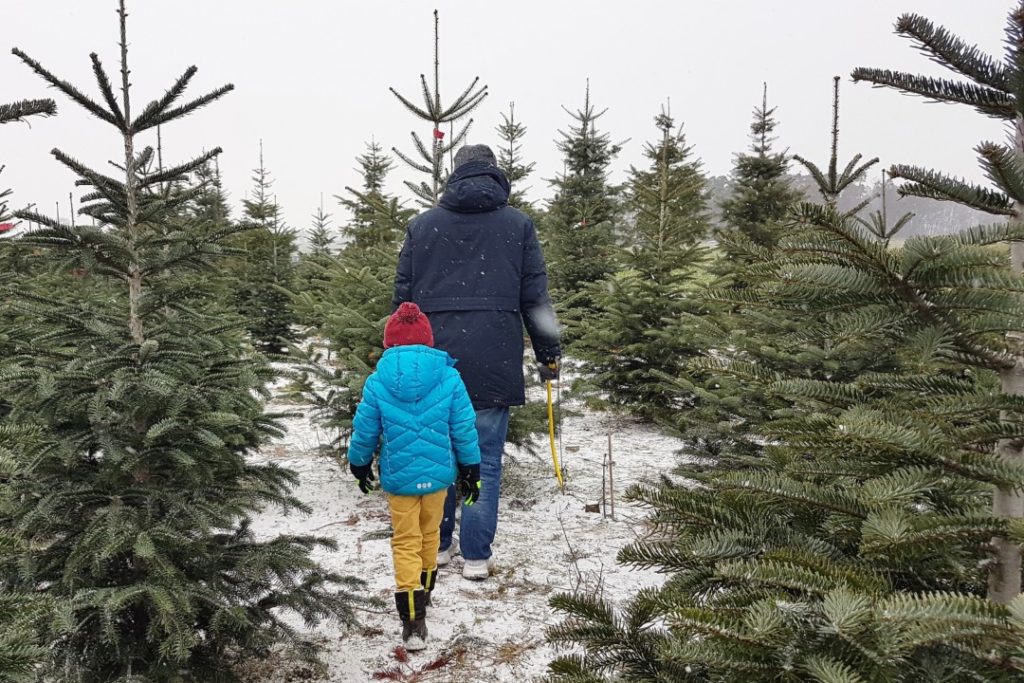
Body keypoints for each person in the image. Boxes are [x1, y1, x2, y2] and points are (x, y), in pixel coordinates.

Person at [393, 144, 561, 581]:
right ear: (495, 175)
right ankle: (476, 557)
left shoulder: (423, 226)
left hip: (436, 359)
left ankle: (441, 545)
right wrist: (549, 354)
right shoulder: (517, 225)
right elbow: (535, 298)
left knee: (439, 453)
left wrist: (399, 355)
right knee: (483, 457)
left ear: (454, 174)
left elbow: (404, 300)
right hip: (493, 354)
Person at [347, 302, 482, 651]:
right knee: (429, 535)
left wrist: (359, 464)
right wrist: (471, 469)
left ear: (390, 342)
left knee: (405, 540)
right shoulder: (450, 377)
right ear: (428, 342)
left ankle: (412, 621)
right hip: (438, 477)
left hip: (400, 479)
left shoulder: (378, 381)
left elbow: (364, 430)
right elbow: (463, 427)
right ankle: (424, 598)